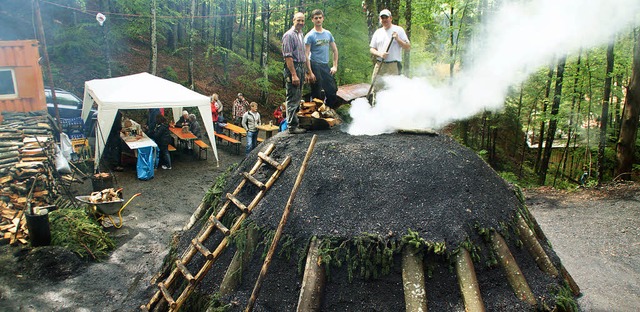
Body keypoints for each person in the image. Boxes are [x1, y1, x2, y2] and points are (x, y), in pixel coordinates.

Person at [304, 9, 339, 108]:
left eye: (320, 18)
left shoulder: (328, 34)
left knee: (332, 90)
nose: (318, 20)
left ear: (323, 18)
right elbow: (306, 55)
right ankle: (316, 115)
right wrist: (309, 72)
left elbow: (335, 50)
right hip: (314, 64)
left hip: (325, 65)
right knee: (317, 92)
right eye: (316, 18)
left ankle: (327, 111)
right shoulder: (310, 36)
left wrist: (335, 66)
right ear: (312, 20)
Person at [282, 12, 310, 134]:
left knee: (298, 96)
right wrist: (293, 74)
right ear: (293, 20)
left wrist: (307, 71)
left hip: (301, 66)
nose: (301, 23)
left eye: (302, 21)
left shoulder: (301, 34)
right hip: (293, 67)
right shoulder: (288, 35)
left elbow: (304, 54)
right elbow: (288, 56)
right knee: (292, 96)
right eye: (298, 20)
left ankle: (296, 123)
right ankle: (292, 126)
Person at [369, 9, 411, 77]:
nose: (384, 20)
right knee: (376, 86)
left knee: (393, 87)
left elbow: (408, 47)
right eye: (382, 18)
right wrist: (380, 54)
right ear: (380, 19)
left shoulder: (399, 30)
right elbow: (372, 49)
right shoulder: (378, 32)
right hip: (380, 64)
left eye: (386, 17)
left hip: (393, 65)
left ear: (390, 18)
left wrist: (398, 39)